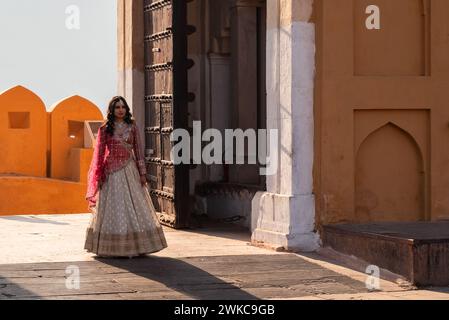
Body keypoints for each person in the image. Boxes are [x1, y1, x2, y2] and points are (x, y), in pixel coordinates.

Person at [84, 96, 167, 258]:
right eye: (117, 107)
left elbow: (138, 150)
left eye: (123, 107)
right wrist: (99, 175)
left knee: (134, 204)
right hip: (111, 173)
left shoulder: (132, 127)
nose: (120, 110)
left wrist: (142, 173)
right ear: (112, 110)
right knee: (114, 206)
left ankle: (136, 244)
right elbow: (99, 155)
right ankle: (112, 247)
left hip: (130, 169)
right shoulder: (105, 129)